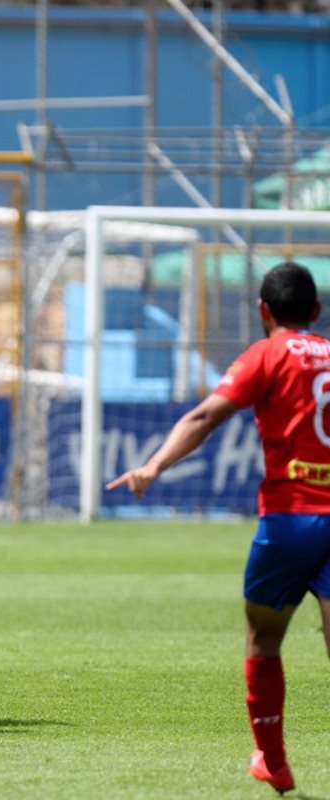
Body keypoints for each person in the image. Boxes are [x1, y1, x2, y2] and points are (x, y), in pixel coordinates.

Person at [107, 261, 330, 795]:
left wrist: (153, 467)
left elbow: (205, 418)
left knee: (263, 638)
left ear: (263, 310)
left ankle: (273, 761)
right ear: (317, 311)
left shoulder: (265, 355)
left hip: (288, 520)